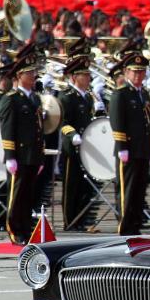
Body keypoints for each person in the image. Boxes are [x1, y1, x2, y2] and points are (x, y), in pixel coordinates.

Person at [110, 53, 150, 235]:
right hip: (129, 149)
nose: (139, 75)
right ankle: (124, 227)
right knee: (128, 191)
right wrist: (121, 147)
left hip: (142, 149)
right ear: (126, 72)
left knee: (140, 190)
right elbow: (117, 122)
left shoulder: (144, 94)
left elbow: (148, 124)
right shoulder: (121, 94)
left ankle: (135, 225)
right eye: (135, 72)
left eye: (142, 72)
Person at [0, 57, 46, 245]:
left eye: (33, 73)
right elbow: (7, 128)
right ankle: (14, 230)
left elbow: (39, 128)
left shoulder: (34, 98)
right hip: (19, 155)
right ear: (19, 76)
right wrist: (10, 156)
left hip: (32, 155)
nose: (33, 76)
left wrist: (40, 155)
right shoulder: (11, 99)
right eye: (29, 73)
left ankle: (26, 229)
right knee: (16, 195)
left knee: (28, 195)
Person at [58, 57, 96, 230]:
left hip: (86, 147)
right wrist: (72, 134)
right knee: (71, 186)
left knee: (83, 186)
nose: (88, 78)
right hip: (71, 147)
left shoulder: (87, 98)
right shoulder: (66, 97)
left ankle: (80, 219)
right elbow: (63, 122)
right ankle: (69, 221)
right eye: (84, 75)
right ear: (74, 77)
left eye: (88, 75)